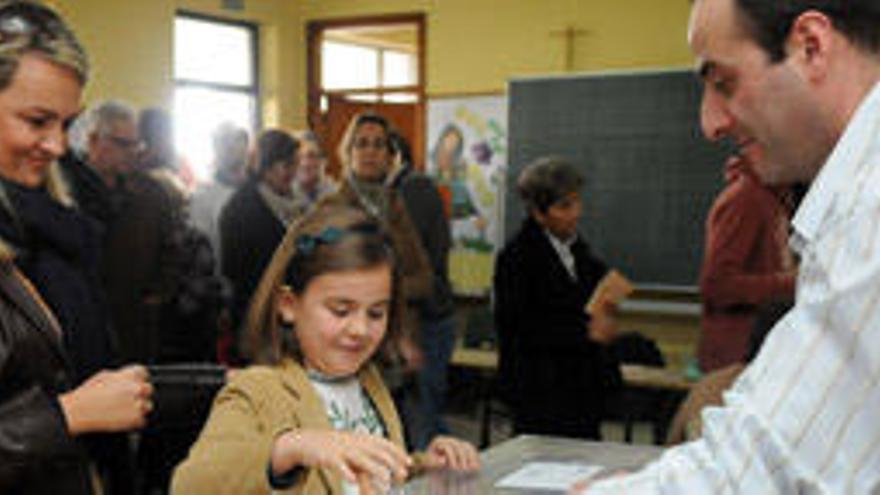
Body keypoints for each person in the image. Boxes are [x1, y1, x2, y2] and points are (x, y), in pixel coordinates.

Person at [573, 0, 880, 492]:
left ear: (811, 47)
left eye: (723, 83)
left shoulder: (870, 209)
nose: (710, 123)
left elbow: (769, 464)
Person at [171, 201, 479, 494]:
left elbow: (368, 476)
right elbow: (191, 485)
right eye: (340, 311)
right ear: (289, 305)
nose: (360, 329)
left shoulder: (368, 381)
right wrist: (290, 448)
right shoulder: (258, 389)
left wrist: (426, 466)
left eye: (376, 313)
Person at [0, 2, 152, 494]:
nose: (58, 146)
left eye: (67, 124)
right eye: (37, 121)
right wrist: (68, 416)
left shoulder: (56, 227)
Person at [322, 112, 434, 444]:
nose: (370, 152)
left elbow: (425, 278)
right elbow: (328, 282)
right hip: (346, 348)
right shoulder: (332, 208)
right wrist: (389, 294)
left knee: (397, 447)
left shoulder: (395, 205)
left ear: (390, 155)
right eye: (362, 144)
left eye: (379, 145)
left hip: (394, 354)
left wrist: (389, 303)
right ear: (347, 152)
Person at [494, 156, 621, 440]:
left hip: (581, 385)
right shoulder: (516, 259)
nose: (577, 213)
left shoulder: (579, 251)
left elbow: (593, 293)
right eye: (564, 206)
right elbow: (520, 328)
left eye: (577, 202)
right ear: (539, 214)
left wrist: (606, 312)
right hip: (542, 389)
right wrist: (586, 330)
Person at [389, 131, 457, 449]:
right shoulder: (416, 187)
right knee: (423, 414)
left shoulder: (411, 190)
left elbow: (411, 267)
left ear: (395, 156)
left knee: (423, 420)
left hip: (424, 320)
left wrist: (407, 336)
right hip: (423, 318)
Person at [698, 153, 796, 372]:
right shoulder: (745, 199)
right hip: (735, 359)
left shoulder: (773, 199)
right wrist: (792, 284)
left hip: (758, 353)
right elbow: (717, 286)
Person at [220, 128, 300, 362]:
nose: (292, 173)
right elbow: (235, 269)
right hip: (256, 316)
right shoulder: (241, 208)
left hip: (286, 314)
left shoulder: (294, 205)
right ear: (265, 165)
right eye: (285, 165)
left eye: (294, 164)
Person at [190, 122, 249, 266]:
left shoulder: (258, 190)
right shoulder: (201, 197)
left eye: (235, 140)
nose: (230, 147)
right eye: (223, 141)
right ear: (215, 149)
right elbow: (203, 251)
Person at [291, 130, 335, 208]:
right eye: (299, 157)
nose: (305, 163)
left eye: (312, 156)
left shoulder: (337, 195)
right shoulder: (282, 195)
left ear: (324, 161)